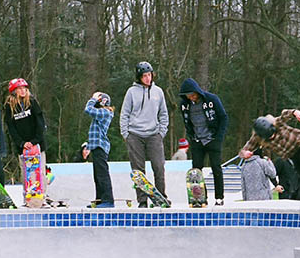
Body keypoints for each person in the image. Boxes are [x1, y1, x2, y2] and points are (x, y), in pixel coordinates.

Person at [120, 61, 169, 207]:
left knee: (159, 166)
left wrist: (161, 132)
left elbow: (164, 114)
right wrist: (126, 134)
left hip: (154, 134)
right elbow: (124, 114)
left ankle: (161, 197)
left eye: (149, 75)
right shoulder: (131, 92)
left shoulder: (158, 92)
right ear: (139, 77)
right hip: (135, 135)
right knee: (138, 170)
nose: (148, 78)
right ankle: (142, 201)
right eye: (144, 76)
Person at [178, 77, 228, 205]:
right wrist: (191, 137)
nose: (191, 98)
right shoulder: (184, 105)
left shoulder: (212, 99)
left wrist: (219, 138)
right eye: (188, 96)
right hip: (197, 140)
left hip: (212, 138)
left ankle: (219, 197)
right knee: (196, 171)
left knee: (216, 167)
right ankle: (200, 197)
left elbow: (223, 118)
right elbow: (187, 123)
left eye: (193, 95)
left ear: (197, 92)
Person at [3, 77, 48, 197]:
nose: (23, 91)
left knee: (39, 171)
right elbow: (11, 128)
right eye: (19, 89)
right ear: (14, 91)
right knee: (26, 172)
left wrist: (34, 141)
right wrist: (22, 143)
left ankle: (42, 197)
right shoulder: (9, 107)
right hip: (22, 146)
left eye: (24, 88)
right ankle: (27, 197)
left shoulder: (32, 102)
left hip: (37, 144)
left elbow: (40, 123)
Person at [85, 92, 115, 208]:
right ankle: (100, 199)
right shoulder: (101, 113)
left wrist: (92, 99)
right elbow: (94, 132)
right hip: (95, 146)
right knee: (97, 175)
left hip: (101, 146)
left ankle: (108, 200)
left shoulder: (105, 112)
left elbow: (88, 110)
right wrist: (88, 146)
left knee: (102, 174)